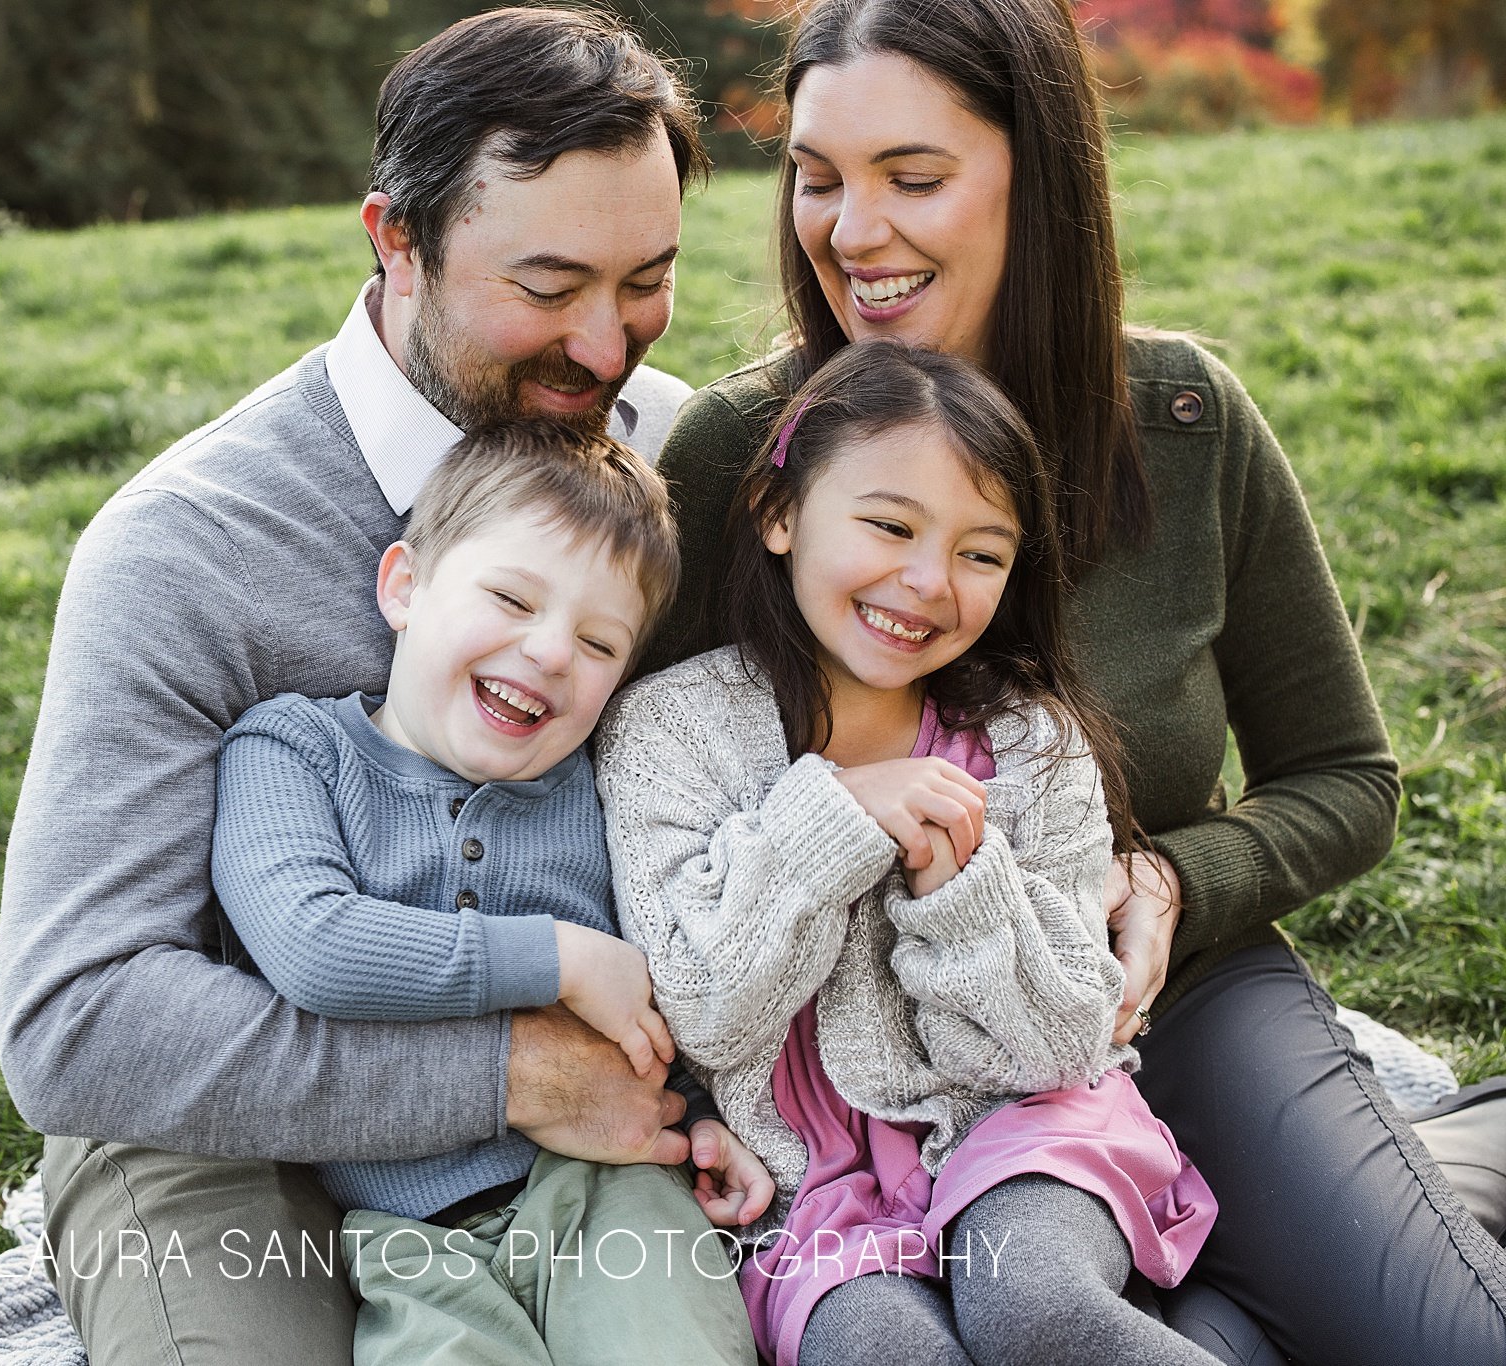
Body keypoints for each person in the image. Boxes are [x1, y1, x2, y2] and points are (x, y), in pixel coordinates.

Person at [647, 0, 1506, 1360]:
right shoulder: (743, 453)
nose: (850, 230)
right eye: (816, 176)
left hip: (1163, 996)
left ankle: (1421, 1163)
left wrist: (1170, 880)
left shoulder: (1181, 420)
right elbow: (641, 804)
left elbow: (1348, 780)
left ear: (1035, 175)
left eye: (913, 177)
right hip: (857, 1088)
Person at [0, 11, 720, 1364]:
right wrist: (504, 1071)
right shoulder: (185, 547)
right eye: (550, 284)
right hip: (221, 1121)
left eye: (647, 280)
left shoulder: (676, 465)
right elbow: (81, 1017)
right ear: (395, 239)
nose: (609, 352)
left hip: (610, 1129)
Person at [600, 340, 1222, 1366]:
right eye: (888, 525)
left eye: (981, 552)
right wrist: (836, 820)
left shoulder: (1028, 742)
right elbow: (702, 1009)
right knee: (883, 1351)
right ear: (779, 513)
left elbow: (1064, 1041)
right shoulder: (668, 733)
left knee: (1034, 1305)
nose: (928, 581)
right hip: (810, 1197)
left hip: (1024, 1132)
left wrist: (958, 890)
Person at [210, 422, 762, 1366]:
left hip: (607, 1192)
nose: (551, 653)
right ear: (405, 586)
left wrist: (713, 1126)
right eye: (511, 597)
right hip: (401, 1233)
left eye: (598, 642)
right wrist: (558, 957)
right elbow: (314, 946)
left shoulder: (604, 789)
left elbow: (672, 987)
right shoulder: (294, 752)